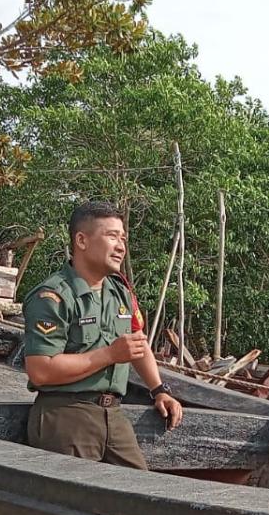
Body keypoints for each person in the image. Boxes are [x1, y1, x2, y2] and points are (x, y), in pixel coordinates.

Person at [21, 200, 183, 469]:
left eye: (123, 238)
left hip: (113, 415)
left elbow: (137, 344)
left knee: (140, 495)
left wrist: (159, 391)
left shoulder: (119, 292)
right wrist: (109, 354)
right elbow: (41, 370)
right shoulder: (53, 296)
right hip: (66, 415)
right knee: (74, 501)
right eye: (111, 236)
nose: (121, 246)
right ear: (81, 240)